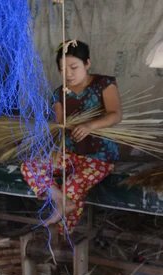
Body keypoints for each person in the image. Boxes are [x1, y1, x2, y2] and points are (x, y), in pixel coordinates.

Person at [21, 40, 122, 233]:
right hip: (70, 154)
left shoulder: (104, 84)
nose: (68, 74)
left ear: (88, 64)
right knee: (31, 166)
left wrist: (89, 125)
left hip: (99, 158)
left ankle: (63, 236)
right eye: (62, 69)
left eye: (74, 67)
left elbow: (116, 114)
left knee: (72, 186)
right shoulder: (59, 93)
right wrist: (53, 140)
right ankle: (60, 200)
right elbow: (59, 125)